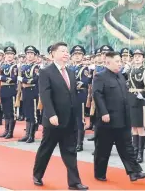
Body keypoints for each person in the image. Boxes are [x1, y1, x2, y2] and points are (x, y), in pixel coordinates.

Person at [33, 42, 87, 190]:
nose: (66, 53)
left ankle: (74, 182)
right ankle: (37, 174)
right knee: (46, 148)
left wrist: (78, 116)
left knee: (70, 150)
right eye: (62, 51)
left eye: (67, 51)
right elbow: (45, 95)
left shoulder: (70, 72)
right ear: (53, 54)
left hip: (70, 119)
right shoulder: (46, 72)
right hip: (54, 119)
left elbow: (73, 95)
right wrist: (51, 114)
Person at [92, 50, 145, 181]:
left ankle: (134, 172)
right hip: (107, 119)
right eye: (117, 61)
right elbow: (97, 95)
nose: (120, 64)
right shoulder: (100, 76)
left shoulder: (120, 76)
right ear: (108, 62)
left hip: (123, 118)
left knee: (127, 147)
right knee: (103, 148)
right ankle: (99, 174)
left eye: (120, 61)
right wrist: (104, 112)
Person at [0, 46, 18, 138]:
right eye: (8, 54)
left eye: (11, 54)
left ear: (14, 56)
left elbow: (13, 79)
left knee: (11, 112)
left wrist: (2, 78)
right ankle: (6, 130)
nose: (9, 56)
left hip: (11, 90)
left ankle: (10, 132)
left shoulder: (15, 66)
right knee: (5, 111)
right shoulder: (3, 66)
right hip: (4, 90)